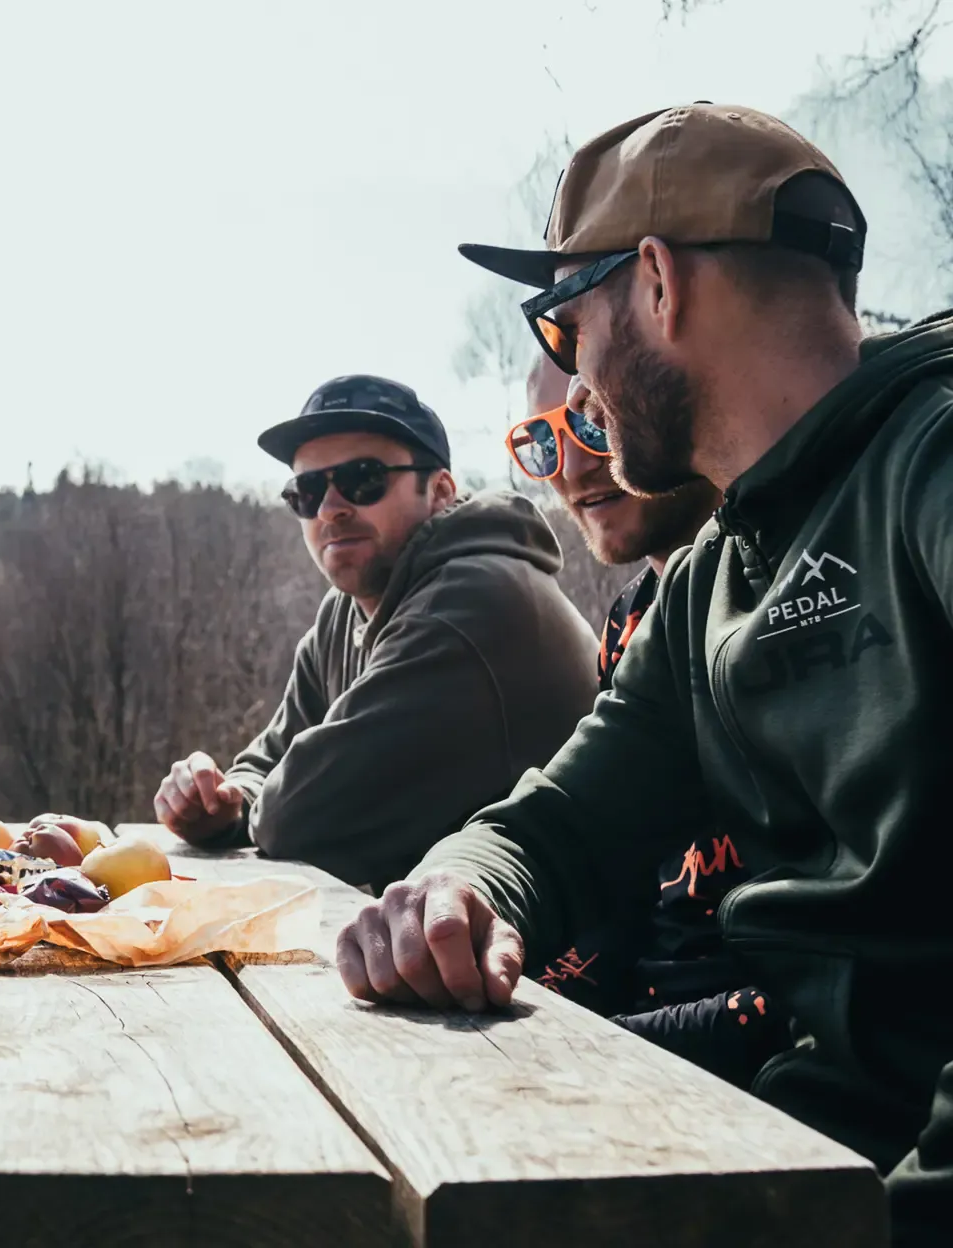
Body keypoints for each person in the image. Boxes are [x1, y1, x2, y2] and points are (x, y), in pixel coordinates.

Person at [334, 104, 953, 1241]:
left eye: (570, 333)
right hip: (800, 1140)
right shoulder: (718, 572)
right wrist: (457, 890)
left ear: (659, 285)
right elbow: (560, 821)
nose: (573, 394)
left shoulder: (929, 460)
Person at [153, 374, 599, 886]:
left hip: (564, 955)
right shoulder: (345, 611)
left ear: (440, 492)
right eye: (307, 490)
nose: (330, 508)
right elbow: (266, 761)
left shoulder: (471, 606)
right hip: (456, 935)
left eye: (363, 480)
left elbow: (296, 820)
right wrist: (223, 802)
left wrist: (252, 807)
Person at [515, 358, 780, 1086]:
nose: (572, 464)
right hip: (650, 999)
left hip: (769, 1029)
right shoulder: (629, 618)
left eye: (593, 420)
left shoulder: (791, 587)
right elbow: (614, 871)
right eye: (543, 441)